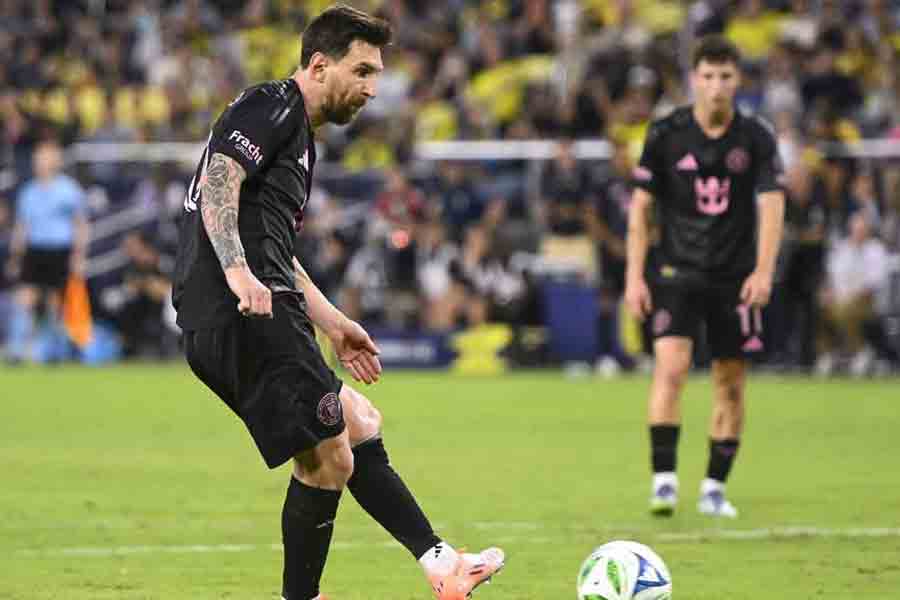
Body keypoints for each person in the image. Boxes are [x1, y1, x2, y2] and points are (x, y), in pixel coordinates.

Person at [171, 6, 504, 600]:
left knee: (359, 425)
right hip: (245, 316)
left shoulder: (299, 139)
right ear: (319, 65)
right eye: (363, 71)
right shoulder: (271, 105)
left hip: (259, 311)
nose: (373, 88)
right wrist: (237, 270)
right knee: (328, 461)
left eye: (376, 74)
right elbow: (220, 181)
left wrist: (334, 321)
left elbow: (276, 246)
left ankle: (441, 563)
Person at [624, 36, 785, 519]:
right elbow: (641, 211)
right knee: (670, 368)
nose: (717, 87)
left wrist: (763, 270)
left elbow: (773, 205)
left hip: (735, 278)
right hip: (675, 272)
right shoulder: (666, 133)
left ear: (738, 81)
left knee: (730, 382)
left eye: (726, 77)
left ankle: (715, 487)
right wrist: (635, 277)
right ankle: (664, 482)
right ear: (695, 79)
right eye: (709, 76)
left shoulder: (756, 137)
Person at [5, 138, 88, 363]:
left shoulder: (69, 189)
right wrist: (15, 256)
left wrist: (78, 256)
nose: (40, 162)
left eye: (45, 157)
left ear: (56, 160)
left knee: (55, 302)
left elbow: (80, 224)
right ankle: (17, 350)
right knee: (24, 299)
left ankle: (52, 351)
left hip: (60, 251)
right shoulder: (28, 192)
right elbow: (22, 227)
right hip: (34, 250)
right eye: (38, 157)